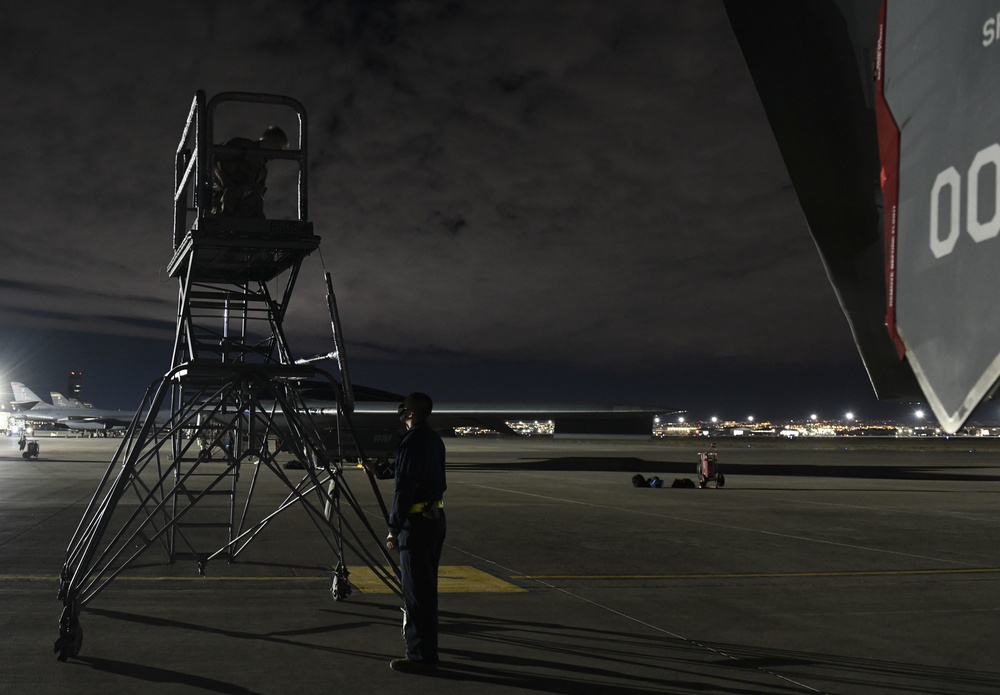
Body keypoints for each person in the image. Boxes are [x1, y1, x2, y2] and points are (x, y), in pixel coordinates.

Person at [367, 391, 447, 673]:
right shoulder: (434, 440)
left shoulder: (411, 442)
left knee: (416, 594)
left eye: (405, 409)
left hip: (417, 525)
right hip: (435, 519)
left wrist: (393, 527)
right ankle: (427, 650)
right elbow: (414, 473)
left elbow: (405, 488)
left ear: (410, 413)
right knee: (427, 590)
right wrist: (380, 470)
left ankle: (421, 657)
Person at [211, 125, 289, 218]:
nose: (279, 151)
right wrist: (224, 183)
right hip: (221, 200)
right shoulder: (242, 146)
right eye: (279, 146)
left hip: (240, 209)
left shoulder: (262, 171)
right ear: (272, 140)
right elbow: (213, 160)